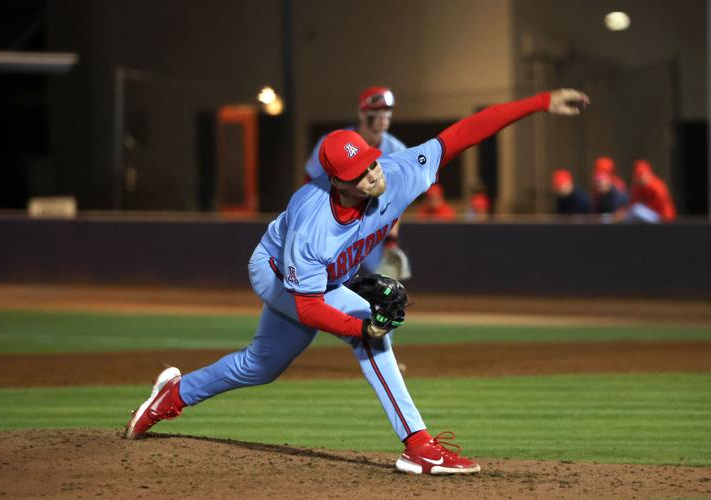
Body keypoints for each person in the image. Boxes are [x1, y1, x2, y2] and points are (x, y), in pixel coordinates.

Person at [124, 88, 590, 475]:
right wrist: (360, 329)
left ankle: (174, 394)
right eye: (359, 174)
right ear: (337, 183)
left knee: (259, 367)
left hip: (321, 277)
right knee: (369, 328)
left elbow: (463, 134)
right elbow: (308, 306)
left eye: (371, 163)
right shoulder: (313, 224)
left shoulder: (397, 173)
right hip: (274, 273)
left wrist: (541, 102)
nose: (373, 174)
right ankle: (419, 446)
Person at [304, 86, 409, 278]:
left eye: (386, 110)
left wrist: (391, 241)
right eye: (375, 110)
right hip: (331, 219)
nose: (383, 115)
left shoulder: (397, 149)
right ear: (362, 114)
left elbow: (396, 200)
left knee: (385, 287)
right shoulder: (332, 142)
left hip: (370, 222)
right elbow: (310, 184)